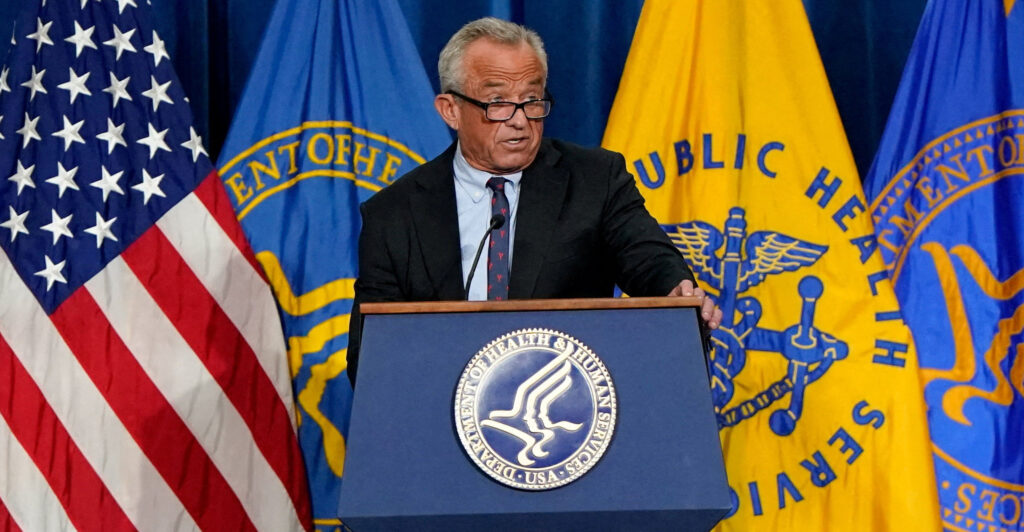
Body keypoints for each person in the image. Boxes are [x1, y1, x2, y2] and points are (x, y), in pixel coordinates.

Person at [348, 17, 722, 383]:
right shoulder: (393, 214)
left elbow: (647, 257)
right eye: (497, 102)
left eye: (531, 99)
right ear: (451, 110)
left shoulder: (594, 180)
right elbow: (369, 355)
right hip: (441, 417)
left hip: (572, 406)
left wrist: (675, 288)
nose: (520, 120)